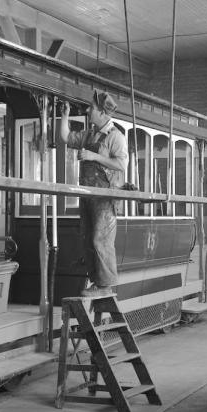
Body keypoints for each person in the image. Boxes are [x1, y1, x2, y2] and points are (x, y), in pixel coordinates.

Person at [58, 91, 128, 297]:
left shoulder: (116, 136)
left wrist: (93, 156)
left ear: (102, 112)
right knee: (87, 238)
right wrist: (64, 115)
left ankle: (105, 286)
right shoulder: (89, 134)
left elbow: (121, 164)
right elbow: (65, 137)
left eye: (91, 107)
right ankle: (96, 281)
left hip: (106, 198)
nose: (88, 110)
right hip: (88, 195)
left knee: (100, 239)